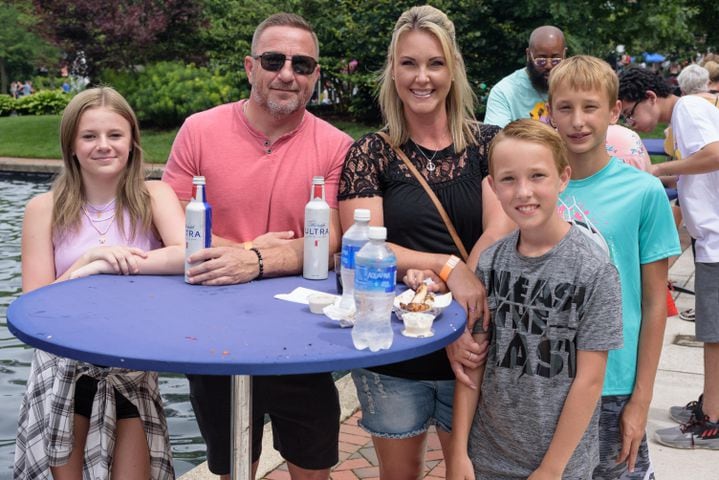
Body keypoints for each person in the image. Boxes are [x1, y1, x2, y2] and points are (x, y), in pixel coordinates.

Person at [162, 12, 353, 480]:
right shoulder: (199, 131)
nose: (287, 73)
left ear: (316, 77)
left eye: (302, 64)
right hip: (213, 334)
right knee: (232, 467)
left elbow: (331, 236)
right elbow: (171, 226)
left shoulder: (337, 146)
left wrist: (252, 261)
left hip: (306, 336)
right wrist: (253, 250)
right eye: (274, 59)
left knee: (312, 466)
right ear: (250, 67)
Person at [338, 5, 514, 478]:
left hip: (475, 343)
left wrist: (458, 315)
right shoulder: (369, 154)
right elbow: (363, 247)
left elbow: (500, 230)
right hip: (396, 349)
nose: (422, 77)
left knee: (471, 471)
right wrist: (448, 266)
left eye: (435, 63)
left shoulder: (486, 145)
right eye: (409, 63)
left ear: (453, 71)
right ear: (392, 71)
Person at [14, 87, 184, 479]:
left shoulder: (153, 195)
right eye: (89, 136)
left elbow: (188, 255)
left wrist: (113, 264)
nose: (103, 146)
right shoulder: (44, 209)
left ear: (132, 142)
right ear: (71, 145)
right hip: (62, 368)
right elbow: (34, 305)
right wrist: (87, 264)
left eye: (115, 135)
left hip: (131, 367)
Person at [448, 119, 623, 479]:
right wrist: (458, 451)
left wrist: (552, 468)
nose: (523, 192)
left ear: (563, 178)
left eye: (537, 176)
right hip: (488, 456)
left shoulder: (594, 270)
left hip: (561, 463)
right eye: (509, 179)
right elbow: (474, 364)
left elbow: (589, 380)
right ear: (493, 187)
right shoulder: (491, 262)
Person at [548, 56, 681, 478]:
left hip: (615, 384)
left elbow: (654, 303)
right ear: (549, 112)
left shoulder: (643, 193)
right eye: (565, 107)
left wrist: (641, 399)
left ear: (614, 111)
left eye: (590, 107)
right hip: (547, 381)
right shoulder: (535, 187)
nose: (578, 121)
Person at [618, 65, 719, 450]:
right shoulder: (689, 113)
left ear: (650, 97)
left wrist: (656, 167)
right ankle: (712, 404)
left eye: (631, 112)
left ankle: (711, 423)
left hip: (717, 240)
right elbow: (697, 172)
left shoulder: (687, 109)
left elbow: (715, 154)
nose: (633, 123)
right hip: (710, 238)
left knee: (713, 335)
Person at [483, 26, 566, 127]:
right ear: (528, 55)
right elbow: (495, 139)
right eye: (541, 60)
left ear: (564, 54)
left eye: (555, 60)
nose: (549, 66)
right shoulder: (504, 92)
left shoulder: (577, 84)